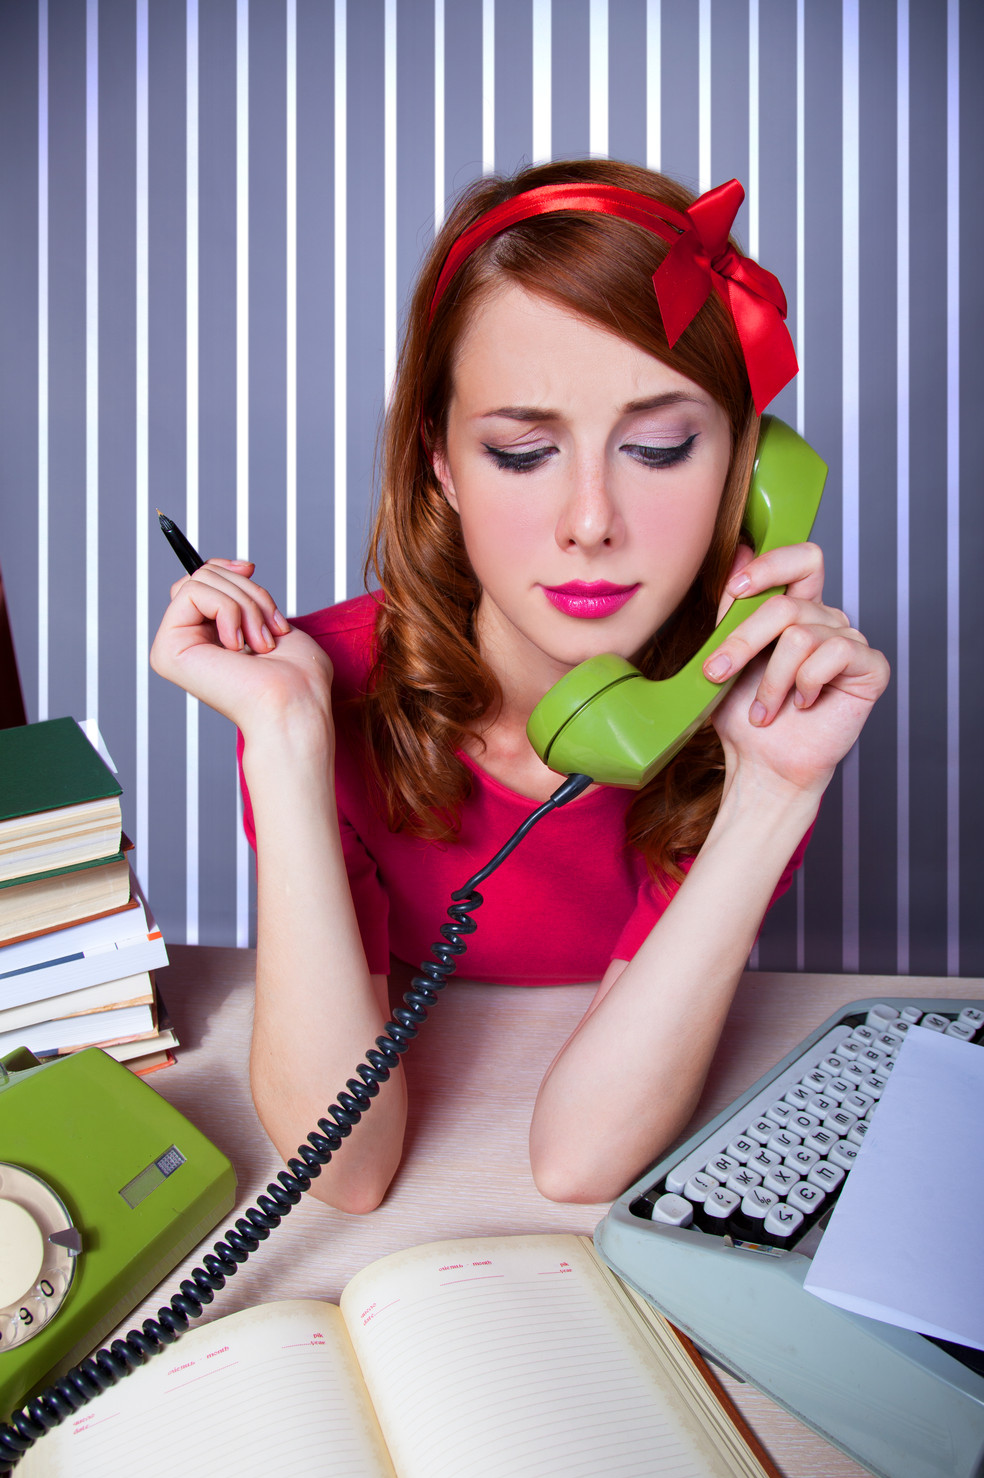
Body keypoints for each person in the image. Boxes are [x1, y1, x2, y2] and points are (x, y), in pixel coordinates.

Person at [150, 158, 889, 1214]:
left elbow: (577, 1162)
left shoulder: (759, 711)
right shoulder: (318, 684)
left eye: (659, 447)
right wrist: (284, 735)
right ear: (441, 462)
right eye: (522, 451)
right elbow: (346, 1169)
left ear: (746, 470)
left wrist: (772, 795)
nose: (591, 522)